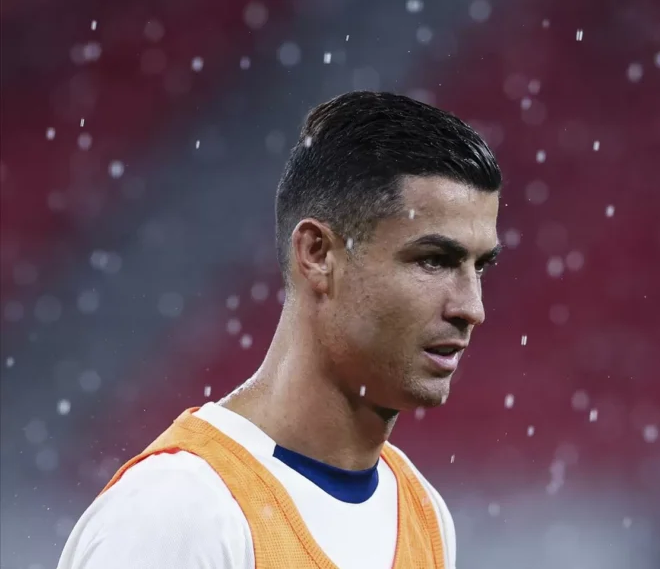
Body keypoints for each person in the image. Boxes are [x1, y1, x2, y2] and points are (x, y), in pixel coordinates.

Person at [57, 91, 503, 569]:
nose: (471, 308)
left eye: (479, 267)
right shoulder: (177, 517)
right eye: (434, 260)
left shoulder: (422, 511)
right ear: (317, 254)